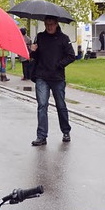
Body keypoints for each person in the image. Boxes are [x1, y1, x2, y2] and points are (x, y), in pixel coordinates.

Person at [30, 16, 77, 146]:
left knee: (61, 105)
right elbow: (35, 57)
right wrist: (32, 51)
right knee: (42, 105)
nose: (49, 27)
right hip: (42, 76)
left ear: (56, 24)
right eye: (47, 24)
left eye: (51, 24)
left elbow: (71, 56)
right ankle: (41, 136)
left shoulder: (64, 39)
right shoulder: (40, 37)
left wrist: (59, 64)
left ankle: (66, 131)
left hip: (57, 78)